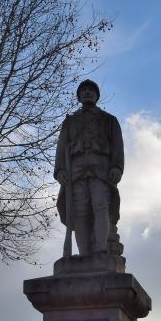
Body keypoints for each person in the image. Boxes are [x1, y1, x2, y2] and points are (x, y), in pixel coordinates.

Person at [55, 80, 124, 256]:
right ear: (79, 96)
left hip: (101, 169)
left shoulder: (109, 120)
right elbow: (62, 146)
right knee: (80, 212)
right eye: (84, 90)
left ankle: (101, 250)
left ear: (97, 96)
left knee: (101, 207)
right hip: (76, 171)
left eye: (91, 90)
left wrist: (117, 166)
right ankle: (84, 254)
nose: (87, 92)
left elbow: (117, 146)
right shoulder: (70, 121)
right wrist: (60, 169)